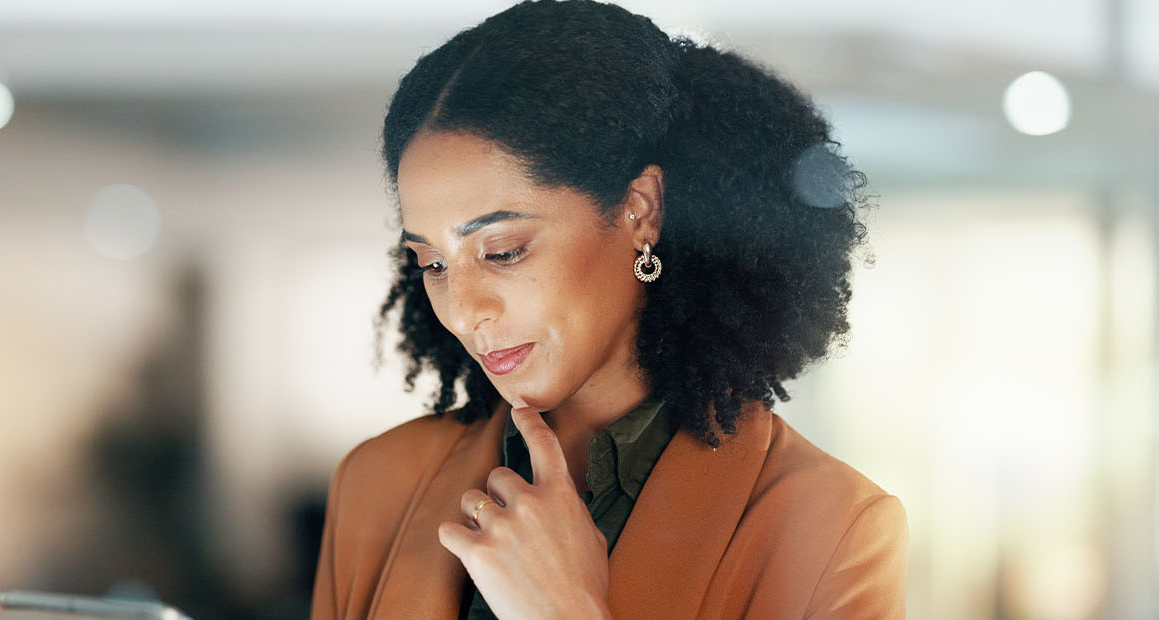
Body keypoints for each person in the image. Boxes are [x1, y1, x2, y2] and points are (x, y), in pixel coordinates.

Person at [309, 1, 907, 618]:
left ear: (640, 209)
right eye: (432, 264)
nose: (462, 313)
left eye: (503, 250)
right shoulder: (375, 484)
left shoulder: (832, 530)